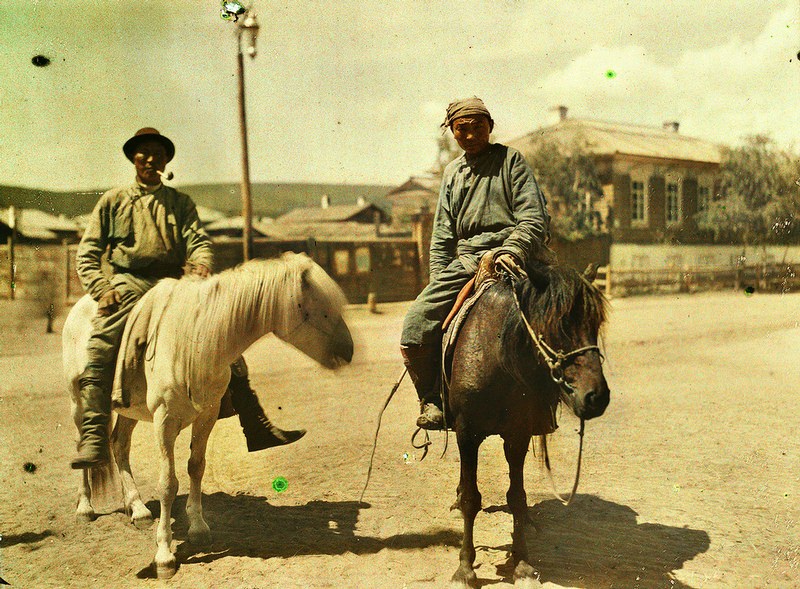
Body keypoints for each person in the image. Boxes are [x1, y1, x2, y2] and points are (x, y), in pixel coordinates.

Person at [71, 127, 305, 469]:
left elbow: (198, 241)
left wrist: (199, 265)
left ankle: (254, 423)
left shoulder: (180, 203)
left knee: (225, 342)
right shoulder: (113, 201)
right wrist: (101, 289)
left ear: (166, 161)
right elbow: (87, 253)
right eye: (143, 153)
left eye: (158, 154)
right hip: (129, 283)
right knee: (103, 339)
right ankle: (94, 432)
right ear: (133, 159)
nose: (151, 159)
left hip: (174, 285)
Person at [400, 97, 551, 430]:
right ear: (453, 133)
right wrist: (440, 285)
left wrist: (513, 249)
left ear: (490, 127)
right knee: (415, 324)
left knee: (558, 315)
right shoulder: (453, 173)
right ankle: (433, 399)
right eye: (461, 129)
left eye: (477, 127)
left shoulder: (511, 162)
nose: (470, 136)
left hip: (515, 257)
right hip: (468, 262)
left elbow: (532, 217)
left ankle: (546, 401)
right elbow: (442, 236)